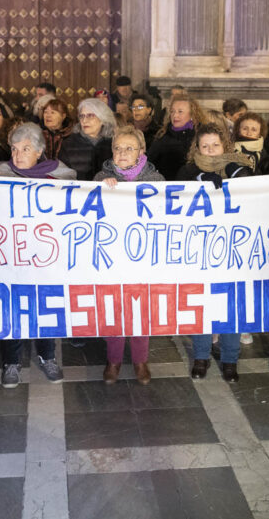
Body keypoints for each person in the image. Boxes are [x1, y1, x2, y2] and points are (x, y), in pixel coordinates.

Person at [0, 123, 75, 388]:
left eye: (25, 149)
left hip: (46, 256)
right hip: (12, 256)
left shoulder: (61, 176)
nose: (18, 154)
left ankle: (48, 356)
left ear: (39, 152)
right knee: (11, 307)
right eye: (14, 148)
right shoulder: (0, 174)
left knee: (44, 306)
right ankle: (11, 362)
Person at [174, 123, 252, 381]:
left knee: (231, 306)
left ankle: (230, 359)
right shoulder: (186, 172)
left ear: (224, 146)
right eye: (204, 146)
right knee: (203, 305)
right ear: (196, 148)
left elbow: (259, 191)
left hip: (233, 249)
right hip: (200, 249)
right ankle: (201, 356)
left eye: (215, 146)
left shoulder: (238, 168)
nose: (209, 151)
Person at [94, 126, 164, 385]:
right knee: (113, 307)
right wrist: (102, 189)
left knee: (140, 308)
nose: (122, 153)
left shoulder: (156, 181)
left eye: (129, 148)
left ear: (140, 152)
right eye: (118, 148)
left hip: (143, 256)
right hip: (112, 256)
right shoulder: (101, 176)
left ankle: (140, 360)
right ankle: (113, 360)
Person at [147, 94, 203, 180]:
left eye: (180, 111)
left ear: (192, 114)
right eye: (172, 111)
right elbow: (148, 163)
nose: (175, 116)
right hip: (168, 189)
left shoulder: (202, 135)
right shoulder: (162, 137)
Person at [58, 97, 115, 181]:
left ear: (103, 119)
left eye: (90, 116)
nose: (84, 120)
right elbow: (61, 175)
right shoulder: (68, 144)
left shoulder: (114, 143)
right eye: (82, 116)